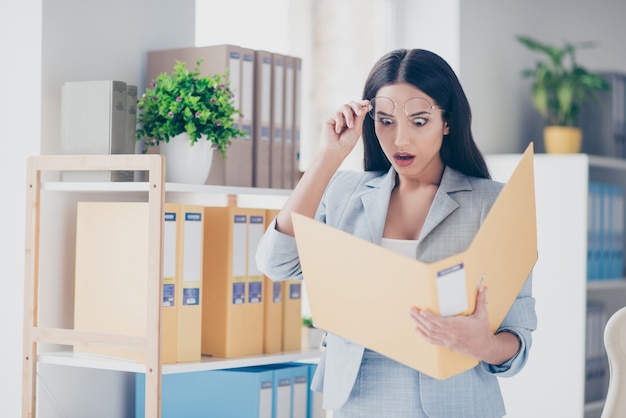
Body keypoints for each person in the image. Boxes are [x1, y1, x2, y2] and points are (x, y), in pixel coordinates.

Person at [255, 48, 537, 418]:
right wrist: (328, 157)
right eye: (386, 121)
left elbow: (519, 341)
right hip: (358, 401)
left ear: (447, 121)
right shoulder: (344, 193)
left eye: (418, 121)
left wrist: (483, 344)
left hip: (456, 404)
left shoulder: (493, 202)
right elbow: (276, 263)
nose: (400, 139)